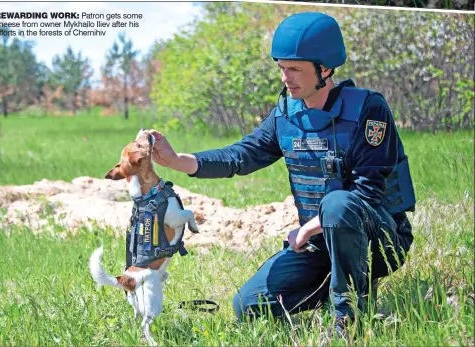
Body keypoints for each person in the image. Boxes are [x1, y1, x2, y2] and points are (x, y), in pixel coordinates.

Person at [147, 11, 416, 336]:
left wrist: (306, 229)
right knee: (248, 306)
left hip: (382, 239)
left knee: (338, 204)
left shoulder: (369, 110)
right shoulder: (285, 115)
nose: (285, 78)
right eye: (282, 68)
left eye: (294, 70)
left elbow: (368, 193)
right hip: (322, 244)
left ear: (325, 68)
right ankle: (337, 288)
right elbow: (241, 156)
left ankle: (349, 321)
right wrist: (177, 160)